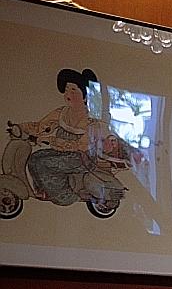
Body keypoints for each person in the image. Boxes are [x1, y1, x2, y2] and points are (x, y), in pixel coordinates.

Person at [14, 68, 127, 206]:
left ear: (85, 96)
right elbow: (41, 126)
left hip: (82, 157)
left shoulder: (91, 120)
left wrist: (53, 141)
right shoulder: (62, 113)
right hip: (62, 152)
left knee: (44, 163)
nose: (68, 93)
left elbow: (83, 145)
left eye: (74, 90)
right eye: (67, 89)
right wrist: (21, 128)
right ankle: (43, 189)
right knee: (34, 158)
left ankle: (65, 195)